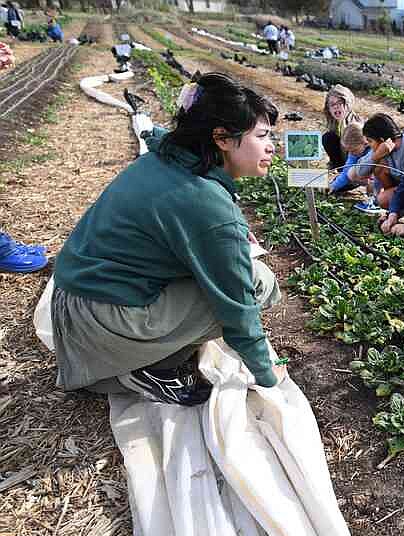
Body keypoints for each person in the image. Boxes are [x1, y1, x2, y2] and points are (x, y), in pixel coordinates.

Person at [51, 73, 285, 406]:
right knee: (258, 281)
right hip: (102, 324)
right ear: (221, 138)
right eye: (262, 136)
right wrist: (267, 376)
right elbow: (238, 308)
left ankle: (139, 353)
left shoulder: (164, 158)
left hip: (77, 299)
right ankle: (150, 367)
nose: (272, 146)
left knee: (227, 272)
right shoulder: (204, 204)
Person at [348, 113, 404, 213]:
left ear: (382, 139)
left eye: (370, 141)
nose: (369, 145)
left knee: (382, 199)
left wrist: (394, 214)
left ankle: (394, 208)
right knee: (375, 166)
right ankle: (386, 203)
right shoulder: (384, 146)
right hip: (400, 184)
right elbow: (359, 172)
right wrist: (376, 156)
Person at [322, 85, 361, 171]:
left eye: (340, 103)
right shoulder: (335, 124)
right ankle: (340, 171)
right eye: (332, 104)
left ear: (348, 103)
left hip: (358, 167)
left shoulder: (354, 126)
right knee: (328, 137)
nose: (336, 107)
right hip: (346, 164)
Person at [329, 121, 373, 194]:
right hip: (362, 174)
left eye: (354, 150)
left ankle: (373, 198)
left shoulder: (373, 150)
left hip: (377, 178)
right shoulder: (353, 154)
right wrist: (334, 186)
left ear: (365, 143)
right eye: (349, 151)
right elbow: (347, 170)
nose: (351, 153)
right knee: (342, 182)